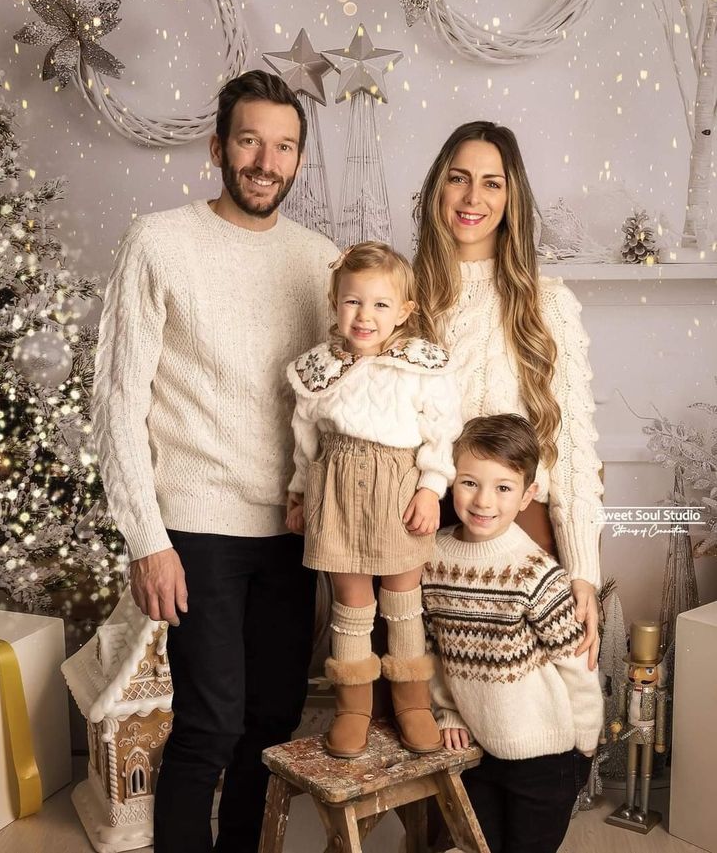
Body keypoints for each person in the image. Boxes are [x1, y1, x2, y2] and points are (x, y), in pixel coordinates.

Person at [92, 70, 337, 853]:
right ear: (218, 148)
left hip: (294, 531)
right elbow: (115, 402)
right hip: (194, 527)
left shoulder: (321, 261)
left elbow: (340, 398)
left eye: (283, 146)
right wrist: (146, 539)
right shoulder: (158, 241)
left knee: (269, 723)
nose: (266, 161)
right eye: (249, 141)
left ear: (298, 160)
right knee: (208, 724)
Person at [413, 121, 603, 669]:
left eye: (492, 183)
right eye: (459, 179)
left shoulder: (549, 305)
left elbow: (572, 449)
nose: (473, 198)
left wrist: (582, 571)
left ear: (511, 197)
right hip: (426, 532)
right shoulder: (403, 296)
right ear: (437, 192)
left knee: (533, 719)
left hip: (524, 530)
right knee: (438, 718)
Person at [286, 241, 462, 758]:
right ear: (334, 302)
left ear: (404, 311)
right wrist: (298, 493)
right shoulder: (318, 370)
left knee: (404, 604)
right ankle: (353, 708)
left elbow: (441, 435)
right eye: (352, 302)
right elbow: (304, 439)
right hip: (336, 491)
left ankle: (412, 703)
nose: (365, 316)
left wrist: (432, 489)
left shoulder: (420, 366)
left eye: (381, 304)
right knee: (352, 605)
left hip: (398, 492)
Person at [423, 414, 603, 853]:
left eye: (503, 487)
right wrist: (447, 712)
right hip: (478, 749)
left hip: (546, 755)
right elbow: (432, 651)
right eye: (469, 482)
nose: (484, 500)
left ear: (528, 496)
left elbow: (577, 667)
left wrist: (583, 748)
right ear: (450, 481)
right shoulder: (431, 558)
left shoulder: (535, 573)